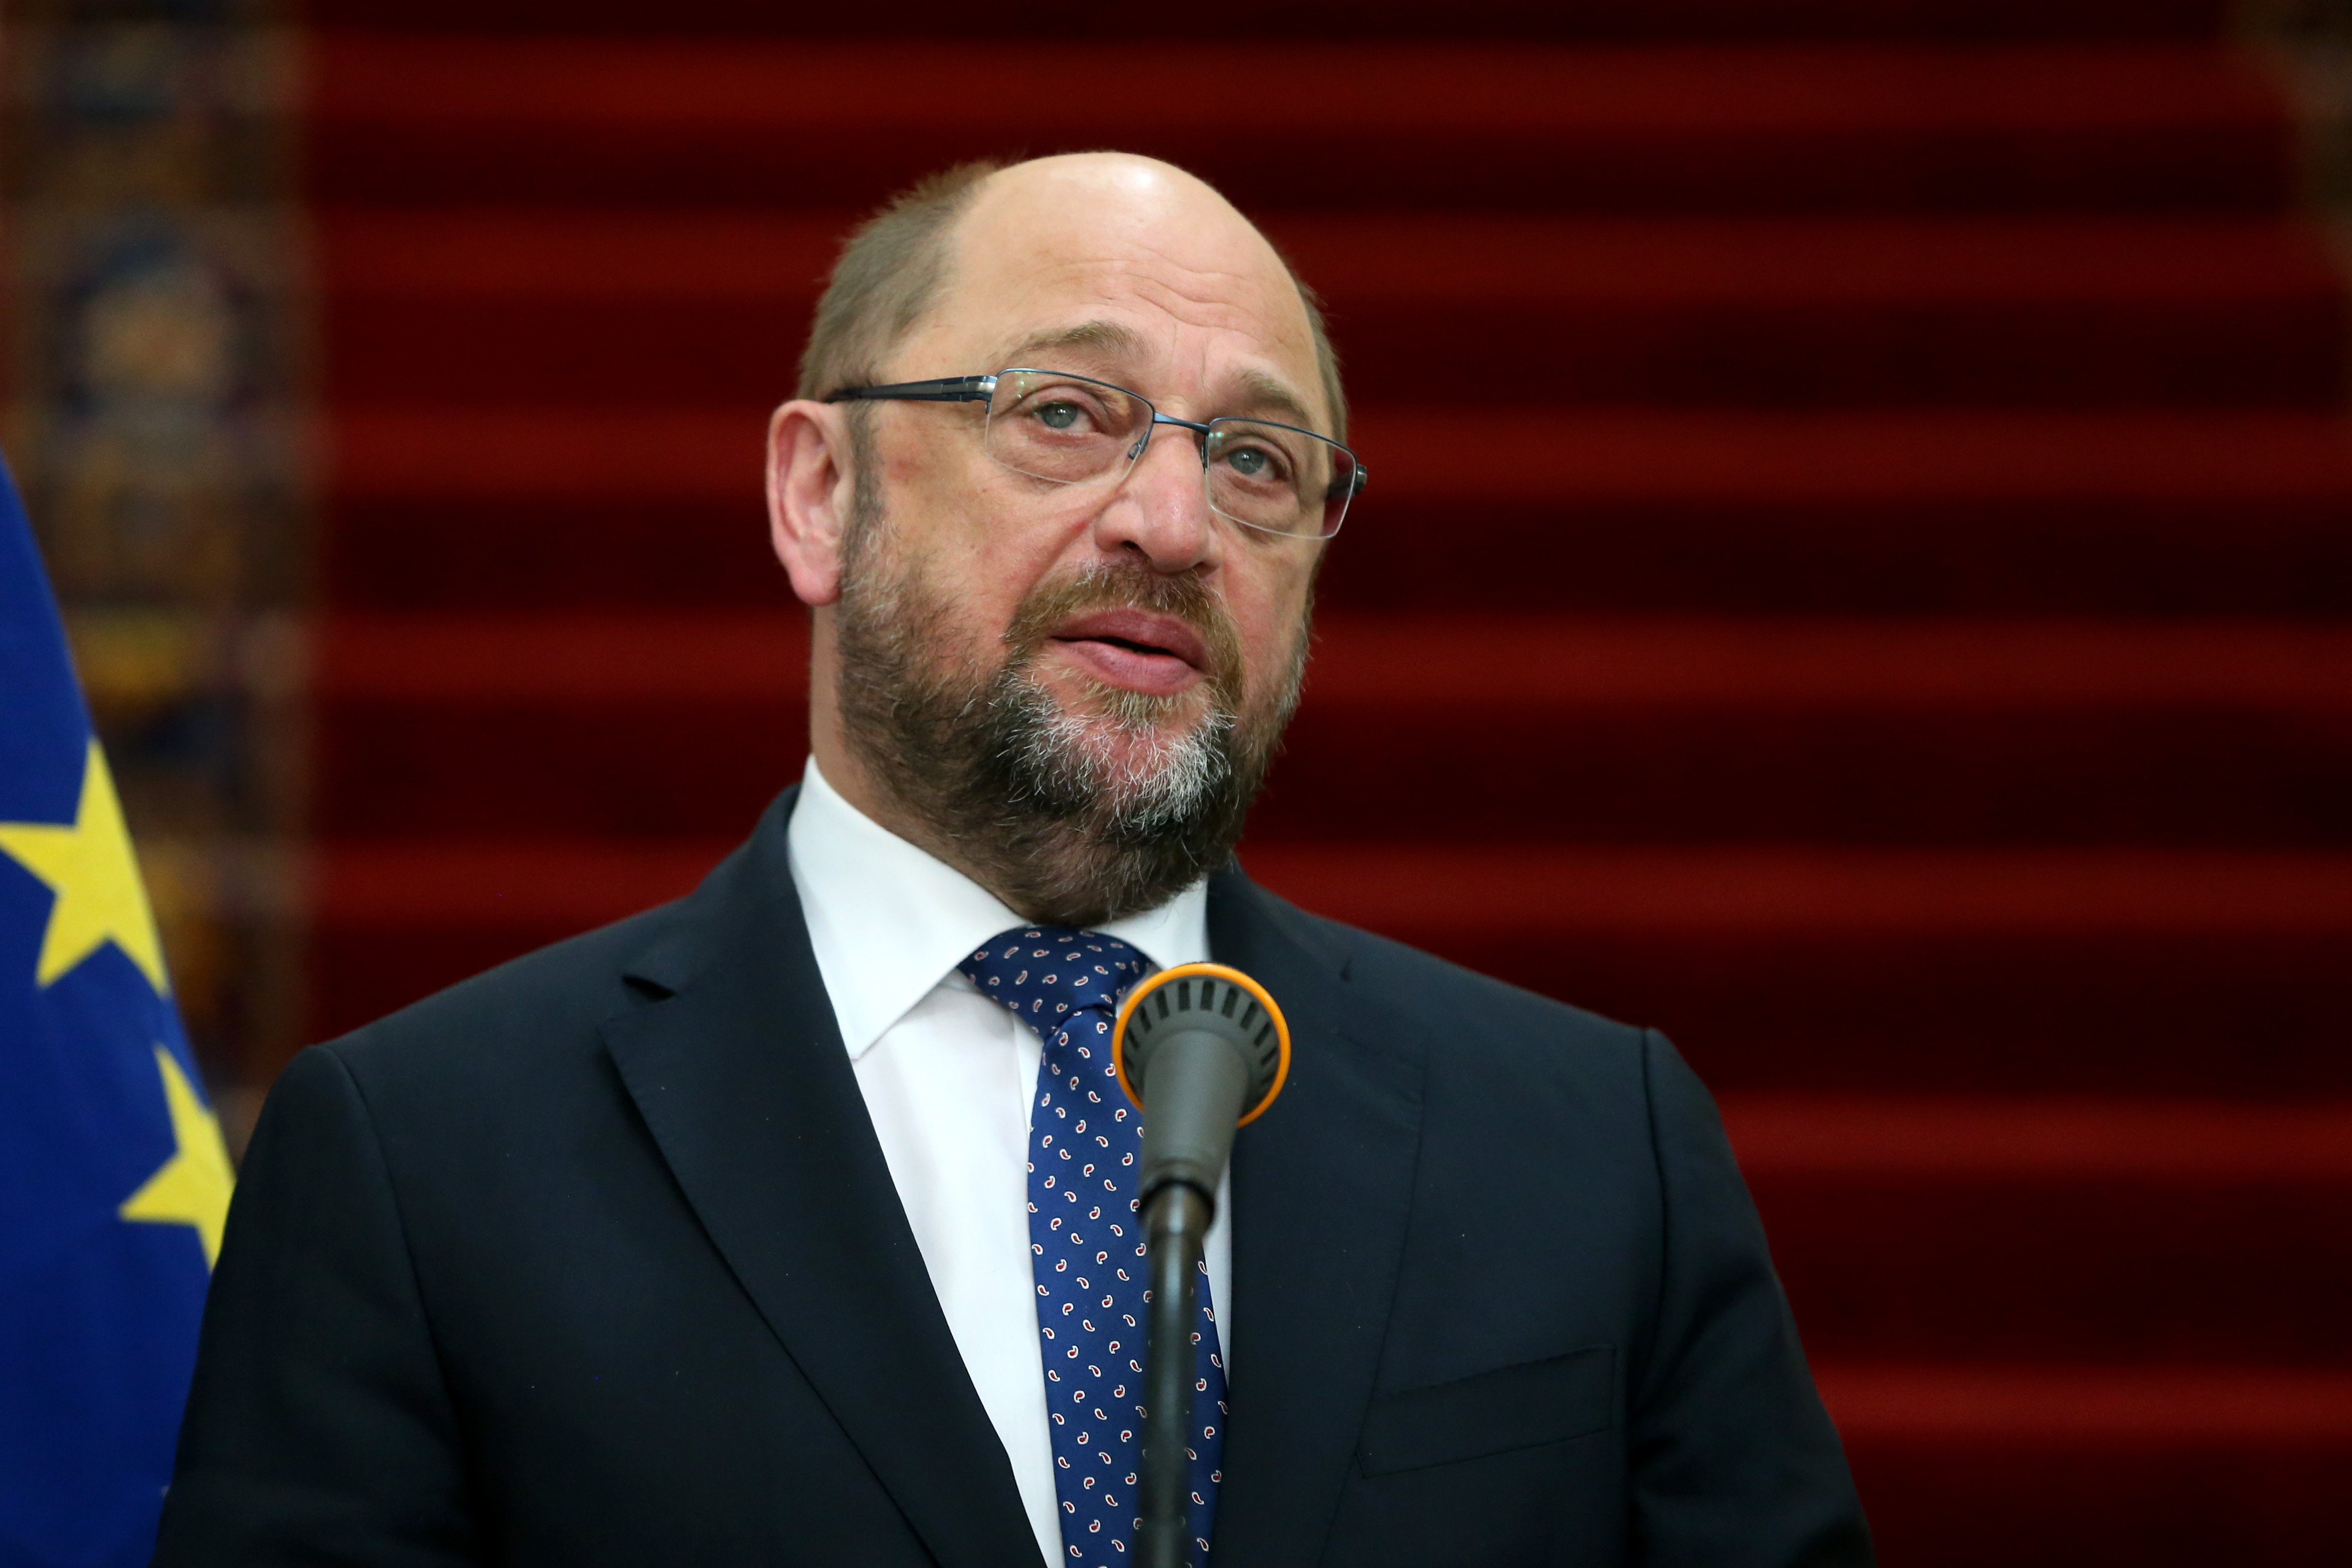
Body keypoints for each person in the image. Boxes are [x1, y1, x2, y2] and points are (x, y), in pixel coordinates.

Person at [152, 153, 1870, 1568]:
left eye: (1257, 460)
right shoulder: (424, 1163)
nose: (1172, 524)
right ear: (820, 492)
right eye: (1064, 411)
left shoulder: (1594, 1151)